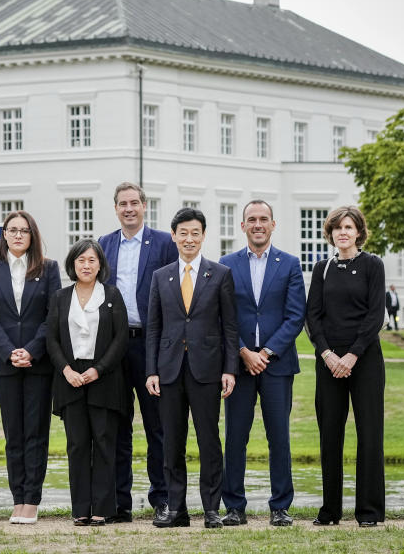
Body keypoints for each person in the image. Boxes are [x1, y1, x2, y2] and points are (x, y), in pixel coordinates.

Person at [145, 207, 238, 529]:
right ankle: (176, 509)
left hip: (207, 369)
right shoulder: (161, 276)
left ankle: (211, 509)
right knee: (171, 442)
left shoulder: (220, 274)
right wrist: (151, 370)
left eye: (195, 233)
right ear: (173, 236)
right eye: (183, 233)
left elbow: (229, 327)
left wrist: (230, 369)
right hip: (169, 370)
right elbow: (153, 328)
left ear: (203, 236)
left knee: (209, 441)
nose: (189, 239)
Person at [219, 200, 305, 527]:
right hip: (238, 365)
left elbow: (296, 316)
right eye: (251, 219)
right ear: (242, 226)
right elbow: (223, 316)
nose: (258, 224)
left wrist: (266, 353)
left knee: (279, 438)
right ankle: (234, 507)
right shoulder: (226, 265)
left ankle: (280, 507)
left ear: (273, 224)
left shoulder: (290, 264)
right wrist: (243, 352)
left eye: (263, 219)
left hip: (277, 365)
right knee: (235, 437)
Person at [97, 182, 177, 522]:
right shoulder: (104, 244)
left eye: (134, 203)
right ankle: (120, 502)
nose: (129, 208)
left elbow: (174, 292)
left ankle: (162, 498)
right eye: (122, 204)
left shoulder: (163, 243)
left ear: (144, 206)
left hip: (151, 345)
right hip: (115, 345)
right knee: (118, 425)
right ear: (115, 209)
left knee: (158, 425)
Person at [0, 210, 61, 525]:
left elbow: (52, 315)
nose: (17, 235)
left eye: (23, 230)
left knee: (36, 434)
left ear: (32, 235)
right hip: (5, 362)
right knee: (13, 434)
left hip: (38, 363)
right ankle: (17, 499)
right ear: (4, 235)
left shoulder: (48, 269)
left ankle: (32, 500)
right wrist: (9, 351)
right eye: (11, 230)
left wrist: (31, 350)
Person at [306, 205, 386, 527]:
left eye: (349, 227)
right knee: (330, 435)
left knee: (369, 435)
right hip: (328, 363)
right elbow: (313, 316)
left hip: (364, 360)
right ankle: (330, 511)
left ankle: (368, 512)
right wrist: (327, 355)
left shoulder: (372, 265)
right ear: (331, 233)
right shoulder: (321, 268)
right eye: (338, 228)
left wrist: (352, 355)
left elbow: (374, 316)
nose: (343, 233)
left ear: (358, 232)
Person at [46, 239, 130, 526]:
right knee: (77, 444)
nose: (86, 265)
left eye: (92, 260)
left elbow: (121, 339)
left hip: (104, 377)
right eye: (81, 260)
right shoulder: (60, 297)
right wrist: (66, 369)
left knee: (105, 442)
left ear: (100, 265)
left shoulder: (112, 295)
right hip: (70, 378)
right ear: (73, 264)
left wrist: (99, 369)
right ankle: (81, 508)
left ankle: (102, 509)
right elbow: (52, 338)